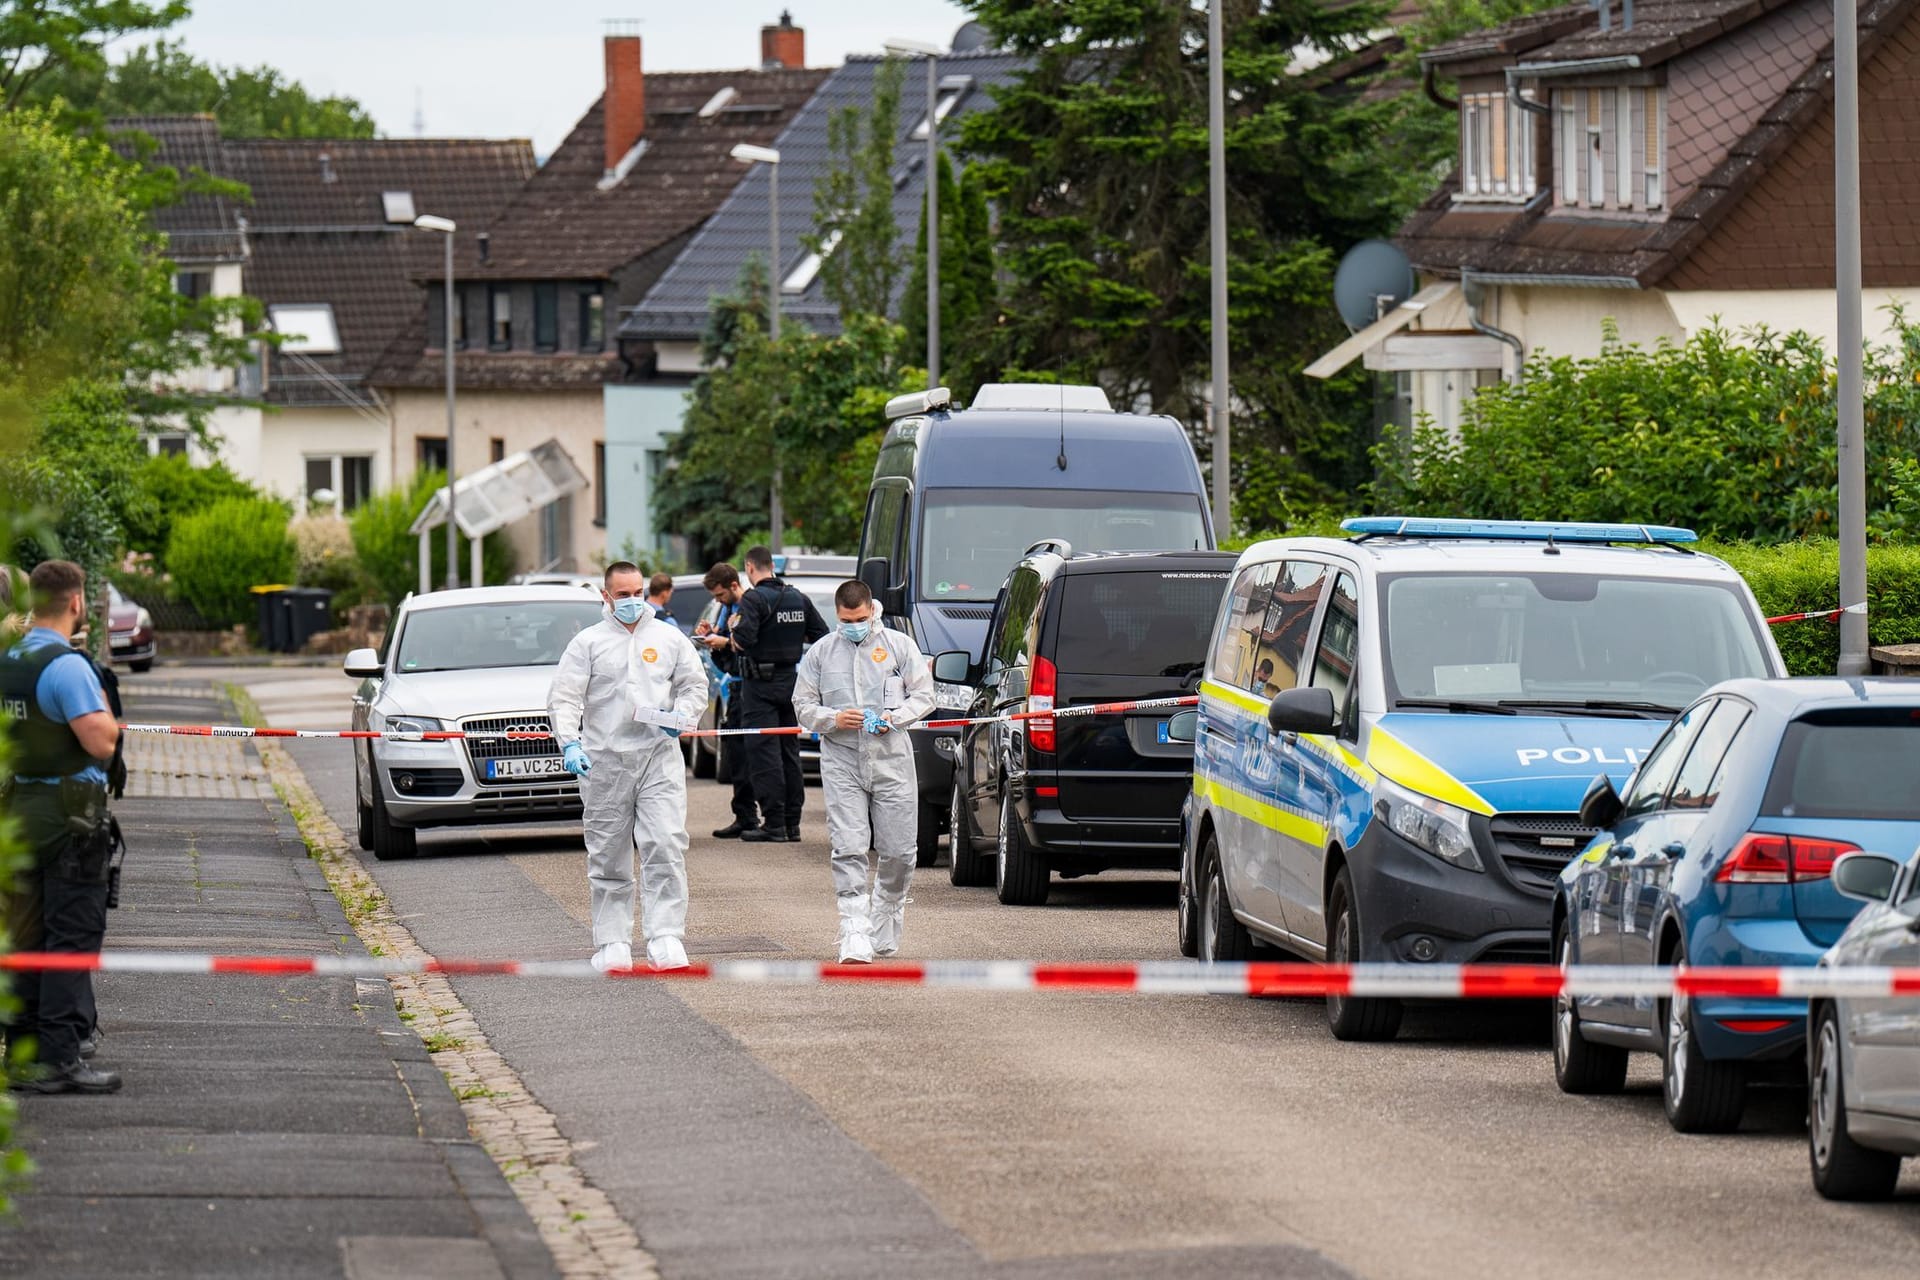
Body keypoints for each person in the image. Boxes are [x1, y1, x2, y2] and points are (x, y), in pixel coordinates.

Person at [0, 561, 124, 1093]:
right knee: (70, 935)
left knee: (25, 934)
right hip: (67, 815)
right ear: (77, 603)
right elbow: (102, 741)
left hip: (18, 808)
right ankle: (57, 1059)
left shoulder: (11, 660)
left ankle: (21, 1054)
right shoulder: (66, 666)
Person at [548, 561, 708, 972]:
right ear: (606, 596)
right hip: (604, 762)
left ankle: (666, 936)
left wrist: (683, 717)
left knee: (666, 844)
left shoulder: (668, 638)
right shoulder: (588, 643)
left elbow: (694, 685)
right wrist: (569, 742)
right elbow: (565, 698)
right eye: (622, 595)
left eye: (637, 592)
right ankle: (612, 941)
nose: (632, 601)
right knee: (608, 854)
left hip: (658, 757)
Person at [793, 580, 934, 962]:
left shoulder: (898, 646)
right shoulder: (823, 652)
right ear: (836, 616)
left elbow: (925, 695)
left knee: (900, 850)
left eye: (859, 618)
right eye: (844, 620)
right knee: (849, 846)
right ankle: (853, 928)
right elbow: (802, 705)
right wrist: (833, 717)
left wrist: (894, 717)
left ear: (872, 610)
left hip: (891, 758)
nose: (853, 625)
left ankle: (886, 910)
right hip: (842, 760)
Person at [725, 548, 828, 844]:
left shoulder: (753, 599)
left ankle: (773, 824)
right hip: (790, 681)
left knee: (763, 754)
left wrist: (732, 632)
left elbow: (742, 640)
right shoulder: (797, 597)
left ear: (749, 567)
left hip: (759, 686)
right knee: (788, 753)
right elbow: (820, 634)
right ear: (771, 566)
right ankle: (792, 824)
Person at [697, 563, 761, 839]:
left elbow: (749, 644)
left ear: (734, 585)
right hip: (733, 686)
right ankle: (744, 815)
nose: (718, 601)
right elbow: (726, 642)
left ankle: (753, 817)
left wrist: (723, 642)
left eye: (721, 595)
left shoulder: (748, 606)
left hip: (750, 687)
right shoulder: (727, 609)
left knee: (751, 756)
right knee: (736, 754)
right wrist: (712, 633)